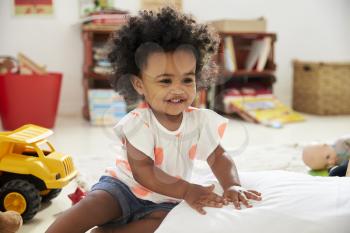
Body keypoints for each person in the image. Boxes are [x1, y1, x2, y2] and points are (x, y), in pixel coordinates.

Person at [46, 7, 262, 233]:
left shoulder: (200, 121)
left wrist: (232, 184)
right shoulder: (139, 122)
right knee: (92, 204)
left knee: (165, 225)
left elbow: (219, 156)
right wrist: (188, 190)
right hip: (122, 189)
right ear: (140, 84)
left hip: (165, 202)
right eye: (165, 81)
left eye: (187, 80)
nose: (178, 89)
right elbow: (144, 172)